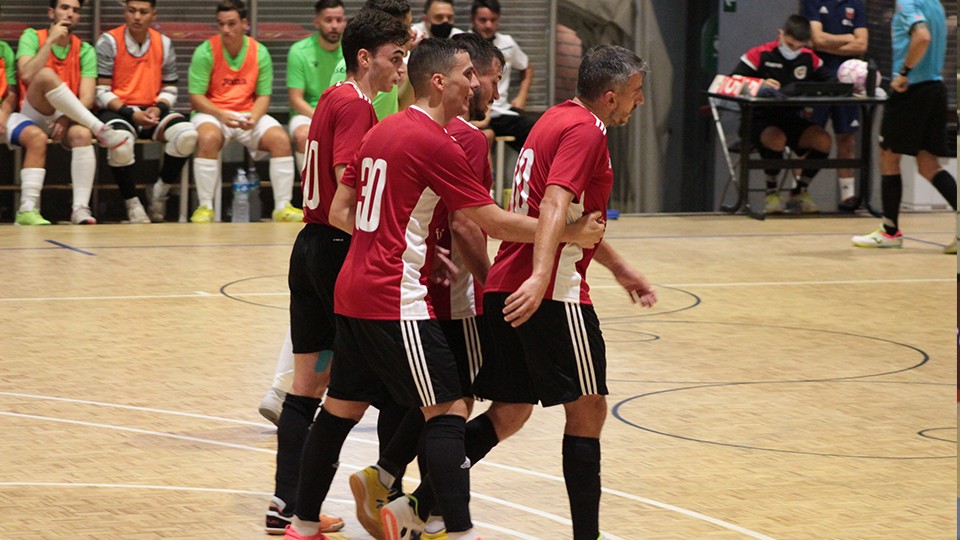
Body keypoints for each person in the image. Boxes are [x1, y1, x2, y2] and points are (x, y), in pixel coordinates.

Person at [284, 38, 600, 540]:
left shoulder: (382, 129)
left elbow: (341, 211)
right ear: (439, 82)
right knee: (451, 408)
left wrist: (381, 239)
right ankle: (458, 530)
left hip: (352, 290)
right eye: (468, 75)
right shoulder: (436, 141)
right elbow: (491, 222)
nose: (475, 84)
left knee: (341, 407)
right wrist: (568, 232)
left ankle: (301, 524)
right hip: (394, 295)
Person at [471, 44, 655, 540]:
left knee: (510, 411)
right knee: (589, 407)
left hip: (504, 284)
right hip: (552, 292)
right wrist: (540, 276)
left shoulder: (554, 118)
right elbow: (555, 203)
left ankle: (416, 501)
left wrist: (618, 268)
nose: (639, 104)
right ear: (611, 96)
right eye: (636, 95)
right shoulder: (587, 130)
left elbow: (574, 220)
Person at [275, 9, 411, 540]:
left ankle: (287, 509)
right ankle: (387, 504)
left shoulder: (333, 97)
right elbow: (343, 204)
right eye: (394, 58)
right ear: (364, 57)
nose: (400, 68)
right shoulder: (354, 106)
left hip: (307, 248)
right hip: (336, 250)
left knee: (304, 390)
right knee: (390, 386)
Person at [15, 0, 135, 225]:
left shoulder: (85, 49)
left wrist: (65, 116)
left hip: (65, 117)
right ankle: (101, 129)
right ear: (52, 12)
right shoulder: (32, 36)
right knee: (45, 75)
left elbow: (87, 98)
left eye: (76, 10)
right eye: (64, 8)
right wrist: (50, 40)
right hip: (32, 112)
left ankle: (80, 208)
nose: (70, 14)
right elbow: (27, 75)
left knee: (82, 135)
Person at [852, 0, 956, 253]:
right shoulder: (936, 6)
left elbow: (922, 37)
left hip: (912, 90)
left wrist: (904, 73)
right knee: (928, 164)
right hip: (935, 88)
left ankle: (890, 232)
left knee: (889, 154)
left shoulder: (907, 3)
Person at [187, 0, 301, 223]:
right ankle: (205, 207)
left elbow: (263, 96)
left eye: (231, 24)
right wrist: (222, 114)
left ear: (244, 24)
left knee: (280, 139)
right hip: (214, 113)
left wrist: (254, 117)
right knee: (208, 138)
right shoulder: (205, 52)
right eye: (221, 24)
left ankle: (282, 206)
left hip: (248, 114)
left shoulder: (260, 52)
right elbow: (196, 97)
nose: (226, 30)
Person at [95, 0, 198, 223]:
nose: (137, 17)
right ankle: (132, 202)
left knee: (187, 135)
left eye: (143, 12)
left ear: (153, 15)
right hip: (119, 110)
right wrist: (131, 114)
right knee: (120, 141)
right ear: (125, 12)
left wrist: (158, 107)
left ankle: (160, 192)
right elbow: (101, 91)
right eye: (132, 11)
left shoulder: (164, 43)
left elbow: (170, 87)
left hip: (152, 110)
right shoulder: (109, 41)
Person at [731, 14, 833, 214]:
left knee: (823, 140)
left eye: (798, 46)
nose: (793, 50)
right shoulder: (759, 54)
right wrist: (760, 85)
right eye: (789, 44)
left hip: (791, 118)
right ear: (781, 34)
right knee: (776, 137)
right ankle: (771, 193)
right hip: (758, 119)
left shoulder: (809, 58)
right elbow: (731, 81)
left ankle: (799, 192)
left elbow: (831, 82)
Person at [802, 0, 868, 211]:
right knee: (807, 138)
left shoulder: (855, 4)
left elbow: (862, 45)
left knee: (847, 139)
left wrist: (829, 43)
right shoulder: (813, 3)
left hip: (848, 84)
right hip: (817, 79)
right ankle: (800, 193)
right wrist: (848, 38)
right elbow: (816, 40)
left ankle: (847, 197)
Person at [0, 19, 51, 226]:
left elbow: (11, 92)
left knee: (37, 137)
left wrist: (3, 115)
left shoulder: (4, 49)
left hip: (2, 115)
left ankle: (27, 209)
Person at [287, 0, 345, 175]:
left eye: (339, 20)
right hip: (308, 114)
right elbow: (296, 99)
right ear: (317, 22)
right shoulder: (299, 51)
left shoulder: (354, 49)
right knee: (303, 136)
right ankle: (308, 195)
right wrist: (323, 119)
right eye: (328, 20)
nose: (334, 26)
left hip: (344, 114)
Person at [469, 0, 536, 152]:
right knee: (483, 136)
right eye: (483, 20)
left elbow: (527, 67)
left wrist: (522, 96)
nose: (488, 25)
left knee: (538, 133)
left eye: (493, 20)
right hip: (471, 111)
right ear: (472, 19)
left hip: (500, 111)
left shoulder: (507, 43)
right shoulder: (462, 42)